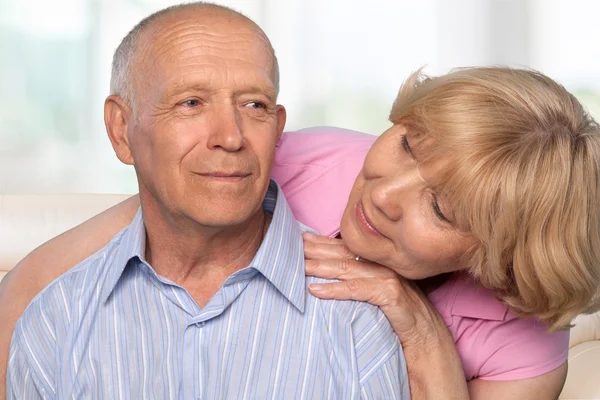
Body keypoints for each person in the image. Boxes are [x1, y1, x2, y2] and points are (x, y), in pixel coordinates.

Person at [4, 3, 411, 399]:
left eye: (254, 105)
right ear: (121, 130)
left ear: (278, 129)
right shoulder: (55, 321)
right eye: (191, 103)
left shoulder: (359, 321)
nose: (230, 137)